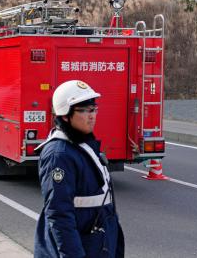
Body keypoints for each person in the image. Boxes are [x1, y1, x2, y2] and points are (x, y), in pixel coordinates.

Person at [34, 80, 124, 258]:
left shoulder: (82, 145)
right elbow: (59, 214)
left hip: (97, 244)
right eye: (84, 110)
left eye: (93, 109)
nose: (92, 115)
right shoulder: (59, 155)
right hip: (81, 247)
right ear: (65, 115)